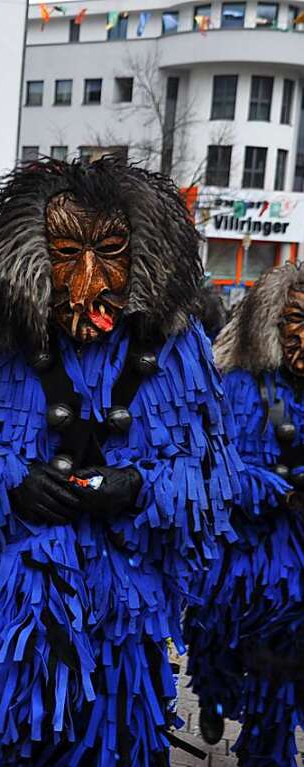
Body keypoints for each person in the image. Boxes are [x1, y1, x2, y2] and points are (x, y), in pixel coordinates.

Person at [0, 158, 238, 767]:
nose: (87, 284)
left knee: (116, 742)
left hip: (125, 606)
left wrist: (138, 486)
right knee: (5, 735)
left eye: (111, 251)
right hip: (15, 601)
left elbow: (212, 478)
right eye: (65, 254)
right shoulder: (2, 343)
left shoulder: (178, 348)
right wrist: (10, 483)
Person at [184, 263, 304, 765]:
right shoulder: (237, 384)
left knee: (284, 658)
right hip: (239, 545)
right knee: (212, 638)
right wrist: (275, 489)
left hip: (296, 555)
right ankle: (212, 699)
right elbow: (215, 463)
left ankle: (267, 746)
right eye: (295, 319)